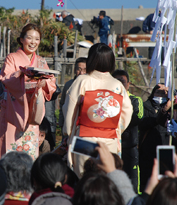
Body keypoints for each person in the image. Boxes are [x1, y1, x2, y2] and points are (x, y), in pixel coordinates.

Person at [62, 43, 132, 176]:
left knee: (83, 177)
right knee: (106, 177)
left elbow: (69, 108)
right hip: (109, 139)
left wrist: (69, 131)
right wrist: (116, 129)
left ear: (91, 60)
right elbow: (127, 112)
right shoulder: (117, 85)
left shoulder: (82, 81)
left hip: (84, 138)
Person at [0, 23, 56, 160]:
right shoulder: (12, 58)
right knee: (10, 151)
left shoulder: (41, 62)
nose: (33, 42)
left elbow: (51, 83)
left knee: (29, 151)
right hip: (13, 109)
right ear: (21, 39)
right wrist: (21, 74)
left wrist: (44, 83)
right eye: (29, 38)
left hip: (32, 109)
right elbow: (6, 78)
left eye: (37, 39)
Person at [112, 69, 143, 193]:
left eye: (122, 81)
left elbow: (138, 118)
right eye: (116, 81)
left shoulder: (135, 100)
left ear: (128, 84)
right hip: (112, 146)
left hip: (129, 147)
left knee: (132, 182)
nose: (120, 84)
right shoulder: (107, 99)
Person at [138, 84, 171, 191]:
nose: (161, 95)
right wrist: (161, 112)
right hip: (148, 149)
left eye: (164, 93)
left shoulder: (173, 108)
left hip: (165, 146)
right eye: (158, 92)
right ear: (153, 93)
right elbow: (142, 123)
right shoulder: (145, 106)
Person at [59, 57, 86, 129]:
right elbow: (62, 104)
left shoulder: (91, 85)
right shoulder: (68, 85)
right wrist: (61, 122)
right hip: (69, 122)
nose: (81, 73)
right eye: (79, 69)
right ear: (74, 70)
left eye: (84, 70)